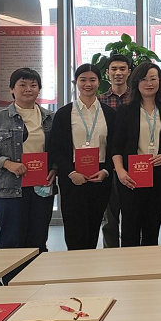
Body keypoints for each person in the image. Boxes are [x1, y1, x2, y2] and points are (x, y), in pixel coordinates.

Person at [0, 68, 56, 281]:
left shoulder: (50, 118)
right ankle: (12, 285)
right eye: (22, 85)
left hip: (41, 188)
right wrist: (7, 163)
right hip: (9, 189)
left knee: (38, 240)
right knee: (12, 241)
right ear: (12, 89)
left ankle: (35, 283)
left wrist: (54, 168)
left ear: (39, 89)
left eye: (33, 85)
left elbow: (58, 150)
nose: (28, 89)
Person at [50, 64, 116, 250]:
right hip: (72, 178)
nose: (88, 84)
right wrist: (71, 173)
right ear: (76, 82)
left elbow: (114, 147)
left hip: (99, 178)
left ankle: (89, 264)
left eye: (92, 80)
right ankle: (75, 265)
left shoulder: (109, 114)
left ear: (99, 82)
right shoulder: (64, 113)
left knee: (93, 227)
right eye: (83, 80)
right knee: (74, 230)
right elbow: (55, 149)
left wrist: (105, 171)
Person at [112, 62, 161, 246]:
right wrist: (120, 172)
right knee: (130, 229)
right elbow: (116, 146)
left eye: (153, 79)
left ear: (160, 81)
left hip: (159, 175)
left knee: (152, 229)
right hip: (131, 176)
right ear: (136, 82)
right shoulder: (125, 110)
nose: (149, 83)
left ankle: (150, 263)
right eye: (144, 79)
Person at [99, 53, 133, 249]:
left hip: (132, 164)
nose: (118, 73)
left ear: (129, 72)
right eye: (114, 69)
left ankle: (131, 253)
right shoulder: (99, 101)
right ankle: (110, 253)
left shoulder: (137, 99)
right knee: (110, 218)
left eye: (122, 69)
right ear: (107, 72)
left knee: (132, 214)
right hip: (106, 165)